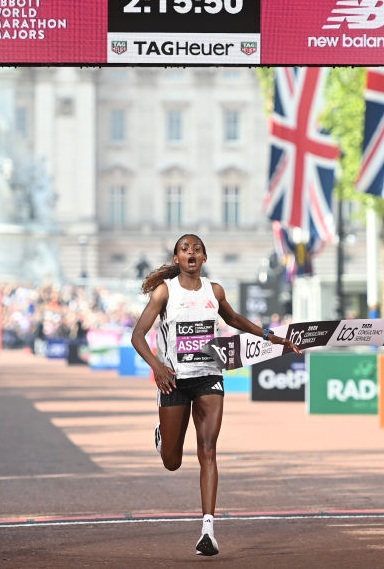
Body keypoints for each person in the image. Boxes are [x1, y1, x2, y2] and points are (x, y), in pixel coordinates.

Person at [131, 234, 300, 557]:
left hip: (210, 375)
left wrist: (271, 337)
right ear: (177, 259)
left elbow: (233, 319)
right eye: (184, 249)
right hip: (174, 381)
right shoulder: (165, 292)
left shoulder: (215, 291)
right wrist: (157, 367)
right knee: (172, 461)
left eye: (196, 249)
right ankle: (163, 437)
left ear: (204, 258)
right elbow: (138, 336)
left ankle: (208, 528)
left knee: (208, 449)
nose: (191, 252)